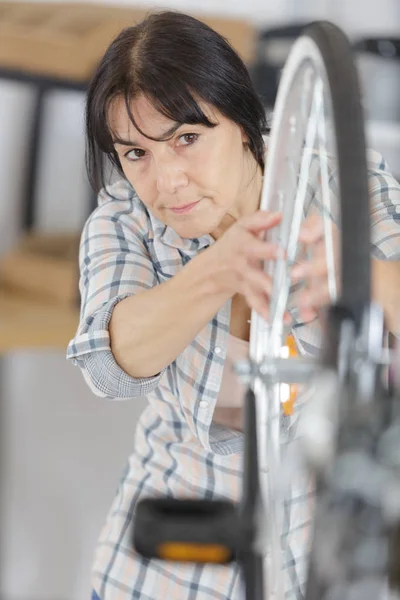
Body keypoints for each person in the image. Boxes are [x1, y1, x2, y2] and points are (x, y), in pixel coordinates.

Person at [67, 11, 400, 600]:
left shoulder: (345, 186)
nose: (166, 180)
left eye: (186, 139)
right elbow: (106, 365)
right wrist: (214, 273)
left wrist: (364, 275)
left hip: (322, 563)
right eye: (135, 154)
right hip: (171, 561)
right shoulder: (124, 222)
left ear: (243, 123)